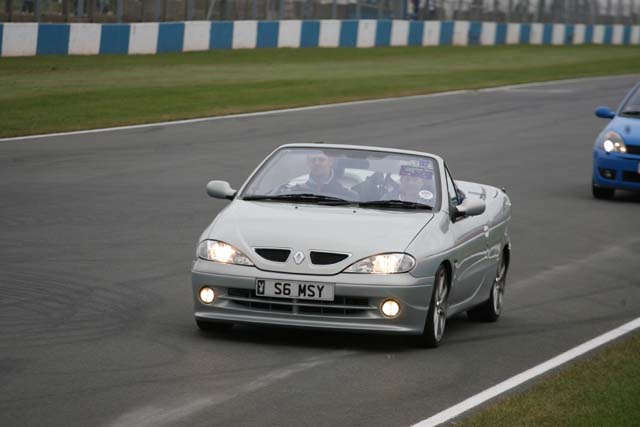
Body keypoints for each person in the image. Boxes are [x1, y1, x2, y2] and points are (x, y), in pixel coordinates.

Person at [290, 150, 358, 200]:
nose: (317, 163)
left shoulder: (348, 195)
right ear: (308, 163)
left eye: (321, 160)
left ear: (331, 161)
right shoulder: (294, 193)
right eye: (313, 160)